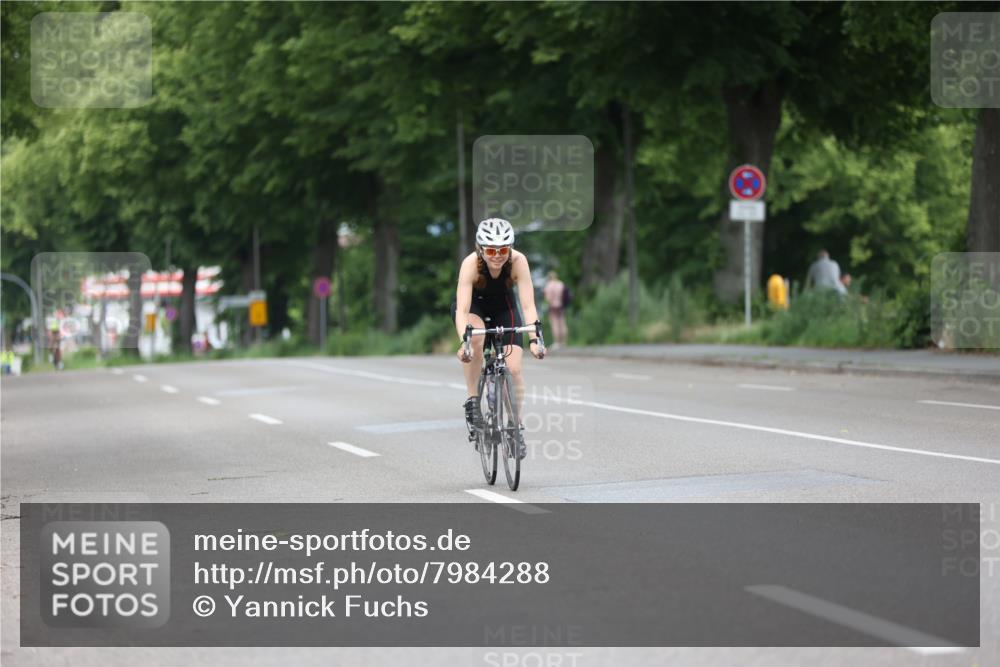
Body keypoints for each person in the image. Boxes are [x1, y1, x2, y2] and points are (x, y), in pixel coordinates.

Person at [454, 218, 544, 459]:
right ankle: (473, 402)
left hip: (505, 306)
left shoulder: (518, 261)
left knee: (513, 369)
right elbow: (462, 310)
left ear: (510, 248)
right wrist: (465, 342)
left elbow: (528, 305)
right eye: (491, 250)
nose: (497, 256)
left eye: (503, 250)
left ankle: (515, 427)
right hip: (475, 307)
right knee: (475, 340)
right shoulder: (470, 264)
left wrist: (535, 340)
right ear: (480, 249)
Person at [542, 271, 569, 348]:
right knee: (563, 324)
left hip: (553, 307)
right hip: (561, 306)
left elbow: (548, 298)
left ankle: (557, 342)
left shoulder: (548, 286)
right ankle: (564, 342)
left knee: (555, 324)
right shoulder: (560, 284)